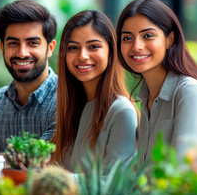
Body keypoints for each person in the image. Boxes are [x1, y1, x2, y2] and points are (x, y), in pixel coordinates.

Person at [115, 0, 197, 178]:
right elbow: (143, 174)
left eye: (148, 36)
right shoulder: (145, 97)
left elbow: (178, 172)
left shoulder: (189, 92)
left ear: (170, 40)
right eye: (127, 38)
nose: (136, 46)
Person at [0, 0, 58, 154]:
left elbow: (40, 162)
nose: (22, 53)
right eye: (13, 43)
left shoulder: (66, 100)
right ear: (2, 48)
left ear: (50, 48)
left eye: (32, 43)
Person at [51, 10, 139, 172]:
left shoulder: (121, 111)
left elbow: (111, 183)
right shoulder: (72, 108)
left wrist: (54, 180)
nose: (83, 56)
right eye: (73, 48)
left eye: (93, 46)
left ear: (111, 51)